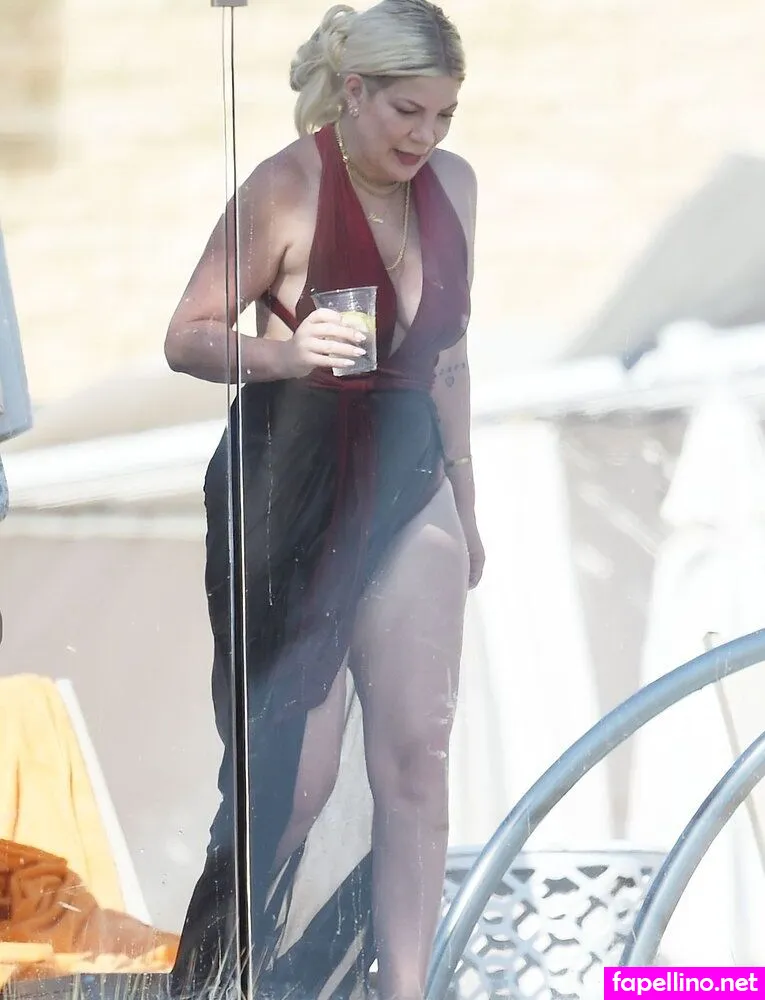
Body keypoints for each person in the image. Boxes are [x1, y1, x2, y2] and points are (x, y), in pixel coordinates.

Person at [165, 2, 483, 997]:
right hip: (292, 478)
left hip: (408, 469)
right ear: (353, 91)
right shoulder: (285, 187)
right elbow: (186, 336)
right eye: (406, 111)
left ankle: (406, 987)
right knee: (292, 783)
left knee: (418, 755)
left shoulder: (455, 187)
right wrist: (285, 352)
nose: (425, 136)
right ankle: (220, 979)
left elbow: (450, 358)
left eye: (443, 114)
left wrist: (468, 502)